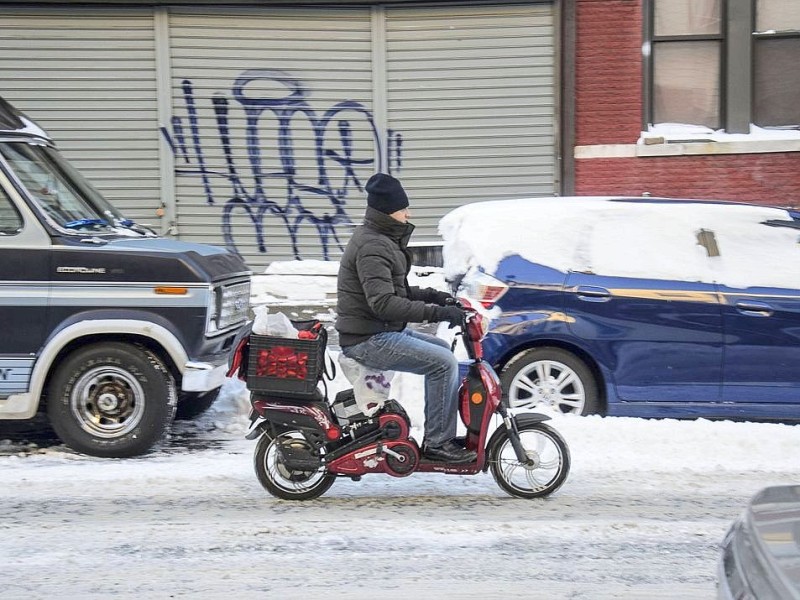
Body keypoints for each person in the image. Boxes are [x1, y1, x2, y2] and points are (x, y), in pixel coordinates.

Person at [335, 173, 476, 463]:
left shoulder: (380, 240)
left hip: (378, 331)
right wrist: (437, 313)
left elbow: (397, 290)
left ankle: (441, 435)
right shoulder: (373, 245)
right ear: (389, 211)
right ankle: (438, 443)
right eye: (403, 209)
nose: (408, 214)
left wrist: (437, 297)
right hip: (368, 339)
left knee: (440, 350)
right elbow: (385, 303)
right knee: (443, 363)